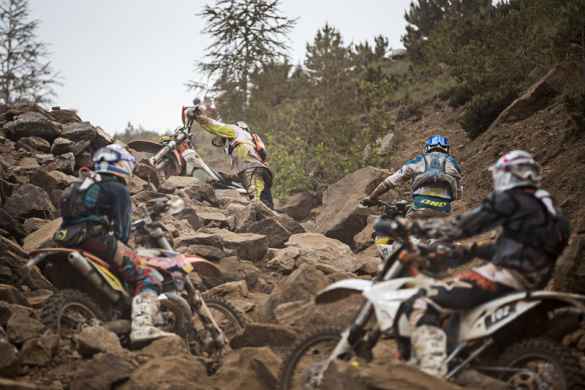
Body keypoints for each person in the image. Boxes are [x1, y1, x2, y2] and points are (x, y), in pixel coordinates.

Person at [392, 150, 570, 377]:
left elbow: (460, 227)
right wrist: (472, 251)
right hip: (531, 285)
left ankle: (430, 375)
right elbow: (520, 249)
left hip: (502, 279)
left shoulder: (510, 199)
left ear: (508, 175)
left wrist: (410, 228)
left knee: (422, 300)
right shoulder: (554, 212)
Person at [54, 144, 173, 344]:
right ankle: (143, 326)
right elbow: (122, 232)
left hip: (65, 238)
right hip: (95, 240)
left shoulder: (79, 183)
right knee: (148, 274)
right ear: (121, 164)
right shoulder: (117, 188)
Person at [186, 106, 274, 209]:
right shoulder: (250, 140)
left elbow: (215, 126)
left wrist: (198, 117)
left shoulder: (236, 130)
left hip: (250, 168)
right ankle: (273, 220)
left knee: (258, 202)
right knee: (267, 201)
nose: (225, 141)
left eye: (225, 139)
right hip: (261, 170)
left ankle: (266, 220)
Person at [362, 134, 462, 219]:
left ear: (427, 148)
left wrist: (372, 197)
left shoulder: (418, 161)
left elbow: (390, 181)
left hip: (419, 207)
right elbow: (458, 194)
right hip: (443, 211)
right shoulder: (453, 164)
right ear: (447, 149)